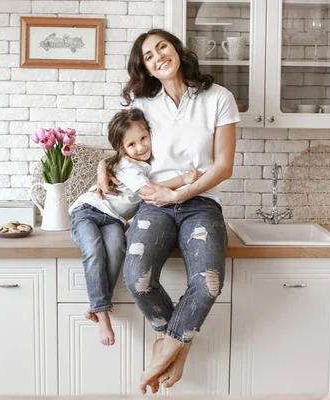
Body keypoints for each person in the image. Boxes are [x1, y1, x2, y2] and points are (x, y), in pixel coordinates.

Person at [96, 29, 240, 393]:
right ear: (144, 66)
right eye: (148, 55)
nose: (158, 56)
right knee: (136, 277)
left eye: (162, 47)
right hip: (154, 205)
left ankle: (167, 351)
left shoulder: (218, 97)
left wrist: (181, 194)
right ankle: (175, 339)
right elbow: (123, 149)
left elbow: (223, 167)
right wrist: (103, 166)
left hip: (201, 203)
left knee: (208, 283)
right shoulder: (144, 106)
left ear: (176, 49)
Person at [69, 108, 203, 346]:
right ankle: (102, 314)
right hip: (88, 210)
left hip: (114, 220)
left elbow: (150, 181)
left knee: (116, 250)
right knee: (93, 249)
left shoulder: (148, 163)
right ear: (122, 149)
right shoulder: (125, 165)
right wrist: (183, 180)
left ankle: (97, 306)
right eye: (131, 145)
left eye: (143, 138)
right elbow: (148, 191)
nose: (141, 147)